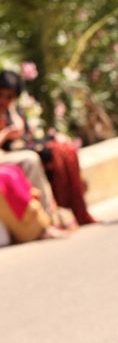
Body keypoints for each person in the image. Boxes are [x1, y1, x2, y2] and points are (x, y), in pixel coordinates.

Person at [0, 70, 95, 226]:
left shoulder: (13, 111)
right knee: (34, 159)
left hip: (22, 148)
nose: (4, 100)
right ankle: (46, 219)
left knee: (64, 150)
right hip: (8, 155)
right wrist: (6, 133)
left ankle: (69, 208)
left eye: (9, 96)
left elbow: (26, 137)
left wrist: (12, 111)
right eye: (1, 95)